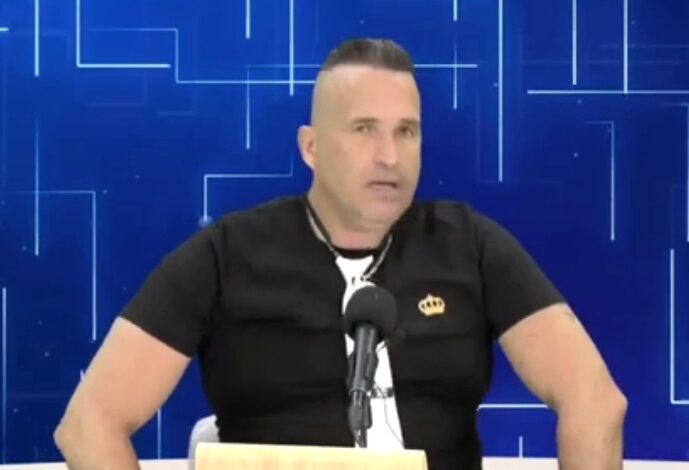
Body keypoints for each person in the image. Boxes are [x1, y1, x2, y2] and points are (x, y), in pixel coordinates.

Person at [54, 38, 627, 470]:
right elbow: (89, 423)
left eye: (407, 132)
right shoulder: (227, 255)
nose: (389, 156)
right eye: (364, 130)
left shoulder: (470, 245)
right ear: (311, 147)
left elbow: (595, 400)